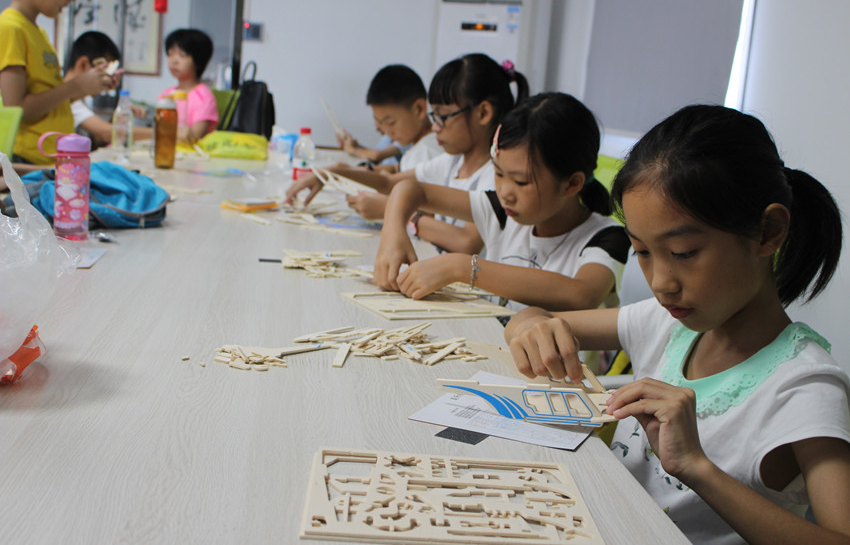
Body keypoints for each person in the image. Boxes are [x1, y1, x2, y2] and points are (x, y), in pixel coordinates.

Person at [505, 105, 850, 545]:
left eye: (684, 253)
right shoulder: (667, 322)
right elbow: (530, 320)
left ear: (768, 232)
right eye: (643, 252)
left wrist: (695, 466)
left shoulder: (804, 387)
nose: (661, 283)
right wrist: (531, 325)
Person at [374, 92, 629, 316]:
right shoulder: (502, 212)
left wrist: (462, 267)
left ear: (572, 184)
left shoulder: (606, 237)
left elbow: (581, 294)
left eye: (520, 181)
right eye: (498, 173)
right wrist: (392, 233)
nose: (505, 192)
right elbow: (411, 189)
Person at [286, 53, 528, 255]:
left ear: (483, 113)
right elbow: (389, 182)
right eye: (434, 116)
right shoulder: (452, 162)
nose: (435, 127)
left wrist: (395, 212)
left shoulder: (496, 176)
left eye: (443, 117)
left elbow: (466, 241)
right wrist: (332, 172)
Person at [0, 0, 118, 164]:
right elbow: (17, 107)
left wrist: (88, 87)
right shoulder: (10, 28)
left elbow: (51, 100)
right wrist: (75, 86)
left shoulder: (39, 33)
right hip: (27, 159)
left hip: (48, 158)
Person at [333, 64, 443, 219]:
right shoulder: (417, 147)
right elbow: (392, 173)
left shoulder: (427, 151)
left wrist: (386, 207)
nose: (387, 132)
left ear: (419, 109)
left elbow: (430, 215)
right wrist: (350, 171)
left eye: (391, 123)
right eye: (380, 123)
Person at [63, 31, 152, 147]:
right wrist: (162, 133)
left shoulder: (80, 99)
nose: (108, 80)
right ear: (83, 64)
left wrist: (119, 117)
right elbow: (105, 133)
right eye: (104, 72)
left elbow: (98, 139)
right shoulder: (66, 99)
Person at [158, 28, 217, 143]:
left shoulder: (204, 96)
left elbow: (195, 136)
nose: (174, 61)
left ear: (198, 60)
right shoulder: (166, 94)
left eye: (182, 55)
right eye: (170, 54)